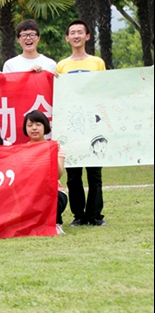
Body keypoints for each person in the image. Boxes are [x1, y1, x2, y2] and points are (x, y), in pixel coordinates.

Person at [56, 20, 107, 227]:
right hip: (71, 125)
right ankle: (78, 215)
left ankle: (95, 215)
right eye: (72, 33)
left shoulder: (97, 62)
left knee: (94, 173)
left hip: (94, 124)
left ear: (87, 36)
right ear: (67, 38)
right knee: (73, 173)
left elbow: (104, 89)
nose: (76, 36)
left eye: (80, 32)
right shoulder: (62, 65)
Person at [23, 110, 67, 235]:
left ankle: (56, 224)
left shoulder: (55, 147)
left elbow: (58, 175)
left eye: (38, 124)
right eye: (30, 125)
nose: (34, 128)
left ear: (45, 126)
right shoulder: (22, 150)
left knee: (55, 199)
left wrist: (52, 153)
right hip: (31, 193)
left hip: (54, 191)